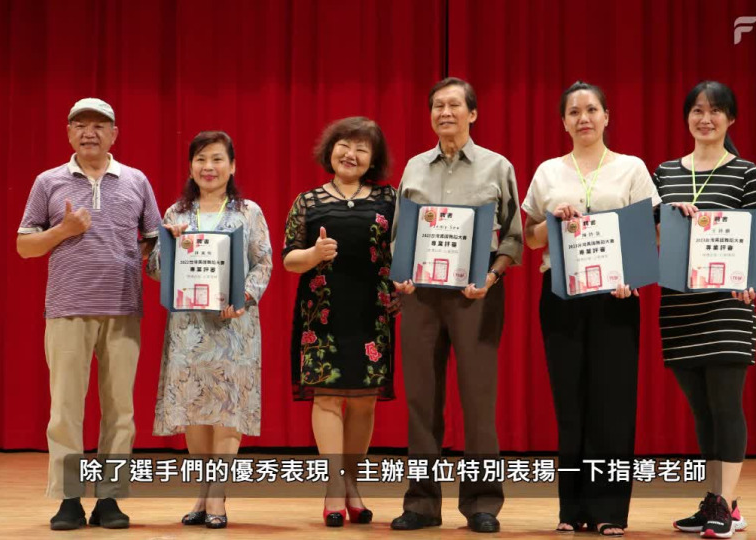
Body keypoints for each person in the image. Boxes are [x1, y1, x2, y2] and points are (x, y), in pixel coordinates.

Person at [520, 81, 660, 537]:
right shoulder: (548, 171)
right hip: (561, 294)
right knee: (570, 402)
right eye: (574, 112)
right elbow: (530, 239)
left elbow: (650, 233)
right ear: (563, 122)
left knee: (613, 402)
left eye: (592, 109)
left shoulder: (631, 168)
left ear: (606, 117)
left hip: (616, 296)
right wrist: (551, 220)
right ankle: (572, 508)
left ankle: (609, 510)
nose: (583, 118)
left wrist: (631, 277)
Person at [16, 98, 162, 530]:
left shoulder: (136, 180)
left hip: (123, 309)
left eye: (99, 125)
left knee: (120, 410)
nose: (89, 132)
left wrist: (174, 249)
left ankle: (109, 500)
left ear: (114, 134)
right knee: (65, 410)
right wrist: (63, 230)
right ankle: (68, 499)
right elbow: (24, 246)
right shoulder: (48, 181)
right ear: (68, 133)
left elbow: (154, 241)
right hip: (67, 309)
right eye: (80, 125)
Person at [389, 77, 522, 534]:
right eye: (437, 106)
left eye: (454, 105)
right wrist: (401, 271)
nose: (445, 112)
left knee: (478, 401)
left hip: (476, 295)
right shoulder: (414, 168)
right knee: (421, 401)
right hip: (420, 297)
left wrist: (492, 275)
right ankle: (421, 504)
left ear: (473, 113)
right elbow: (399, 235)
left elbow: (512, 235)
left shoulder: (497, 167)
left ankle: (483, 503)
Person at [653, 81, 756, 539]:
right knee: (702, 411)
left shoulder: (745, 172)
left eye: (716, 110)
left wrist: (751, 281)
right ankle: (720, 502)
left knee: (725, 406)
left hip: (727, 308)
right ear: (687, 117)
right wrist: (666, 219)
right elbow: (652, 237)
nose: (706, 118)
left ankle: (724, 502)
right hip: (680, 307)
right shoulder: (664, 173)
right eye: (698, 110)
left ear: (730, 119)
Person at [147, 131, 273, 529]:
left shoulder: (248, 212)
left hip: (234, 326)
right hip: (188, 330)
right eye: (201, 159)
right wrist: (167, 243)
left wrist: (245, 296)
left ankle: (218, 496)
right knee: (194, 410)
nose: (209, 167)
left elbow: (264, 263)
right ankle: (202, 493)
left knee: (228, 409)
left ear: (232, 166)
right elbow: (155, 270)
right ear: (190, 167)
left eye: (218, 159)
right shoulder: (176, 214)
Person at [282, 117, 397, 527]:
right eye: (344, 145)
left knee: (364, 401)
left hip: (372, 312)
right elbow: (289, 259)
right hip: (322, 314)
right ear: (330, 151)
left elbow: (404, 249)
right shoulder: (308, 201)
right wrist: (314, 254)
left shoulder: (389, 199)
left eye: (362, 149)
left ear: (373, 159)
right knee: (327, 398)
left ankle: (352, 487)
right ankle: (334, 488)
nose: (351, 154)